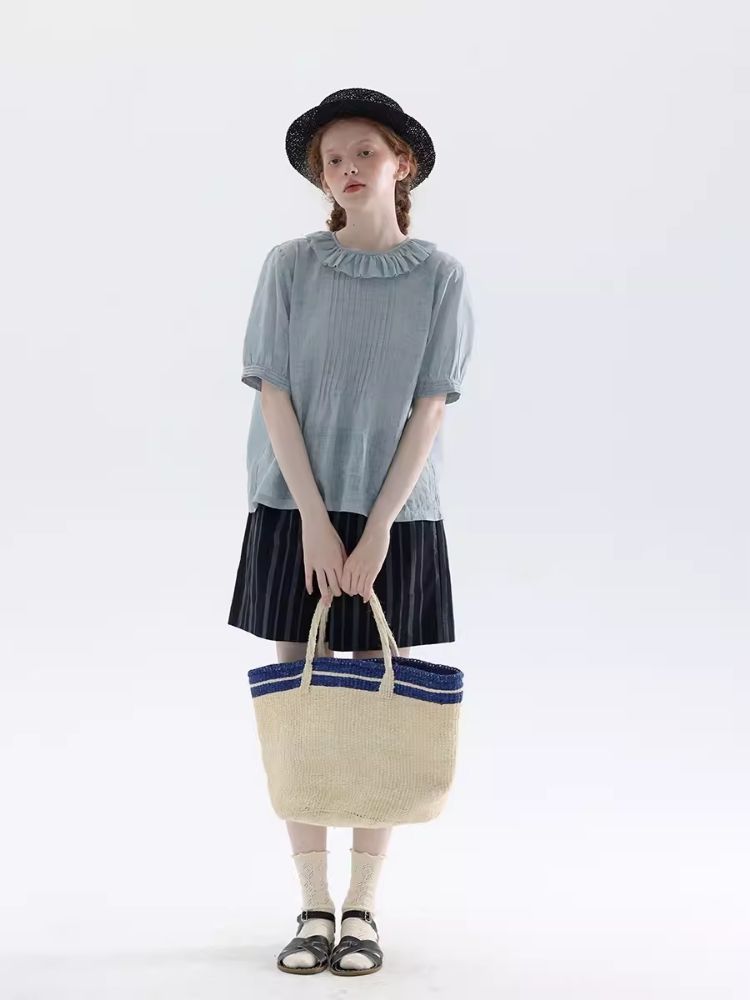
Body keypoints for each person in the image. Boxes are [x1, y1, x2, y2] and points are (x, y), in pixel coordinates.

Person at [227, 88, 476, 976]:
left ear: (402, 163)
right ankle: (310, 905)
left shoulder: (440, 277)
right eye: (332, 159)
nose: (347, 169)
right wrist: (312, 523)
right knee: (297, 705)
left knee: (380, 706)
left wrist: (373, 534)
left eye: (364, 151)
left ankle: (362, 908)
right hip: (291, 506)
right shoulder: (290, 266)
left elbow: (430, 408)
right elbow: (275, 393)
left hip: (396, 515)